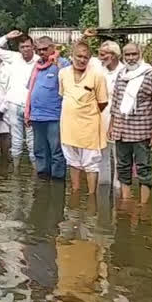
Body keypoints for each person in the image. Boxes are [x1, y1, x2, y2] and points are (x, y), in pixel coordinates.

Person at [108, 43, 152, 204]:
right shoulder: (121, 74)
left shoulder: (151, 74)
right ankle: (126, 200)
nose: (131, 58)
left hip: (141, 131)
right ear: (123, 57)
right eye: (127, 55)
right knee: (123, 167)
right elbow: (116, 102)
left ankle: (143, 204)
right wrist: (111, 126)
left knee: (143, 168)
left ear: (140, 54)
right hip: (121, 130)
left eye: (134, 54)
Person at [59, 42, 109, 195]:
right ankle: (75, 192)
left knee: (91, 164)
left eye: (85, 57)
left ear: (90, 58)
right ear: (72, 56)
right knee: (72, 161)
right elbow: (63, 94)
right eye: (79, 56)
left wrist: (87, 113)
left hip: (89, 126)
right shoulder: (63, 73)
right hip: (68, 125)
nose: (82, 60)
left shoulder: (97, 75)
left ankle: (91, 196)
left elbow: (103, 102)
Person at [0, 31, 38, 170]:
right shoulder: (13, 57)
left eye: (28, 46)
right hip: (14, 104)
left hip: (32, 105)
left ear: (32, 47)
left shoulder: (39, 60)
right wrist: (6, 37)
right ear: (19, 49)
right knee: (16, 141)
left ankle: (34, 172)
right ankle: (16, 172)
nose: (26, 49)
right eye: (22, 47)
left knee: (32, 142)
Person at [26, 36, 69, 181]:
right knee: (39, 150)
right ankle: (42, 180)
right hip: (37, 116)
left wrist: (58, 65)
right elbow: (31, 89)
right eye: (39, 50)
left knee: (56, 151)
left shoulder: (62, 64)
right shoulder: (37, 66)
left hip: (54, 116)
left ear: (53, 48)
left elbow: (69, 83)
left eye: (45, 49)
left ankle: (57, 182)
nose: (42, 52)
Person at [96, 40, 124, 187]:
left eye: (103, 54)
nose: (101, 58)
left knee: (119, 154)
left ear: (113, 55)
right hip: (99, 116)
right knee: (101, 154)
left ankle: (119, 189)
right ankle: (103, 187)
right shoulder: (99, 70)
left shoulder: (124, 71)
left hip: (119, 117)